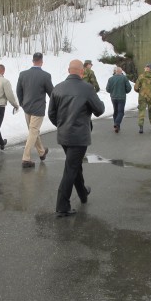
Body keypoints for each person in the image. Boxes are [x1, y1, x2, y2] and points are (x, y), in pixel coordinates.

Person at [48, 59, 105, 217]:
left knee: (74, 165)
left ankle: (83, 193)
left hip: (64, 135)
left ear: (68, 70)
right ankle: (62, 205)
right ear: (82, 72)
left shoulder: (58, 88)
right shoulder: (87, 88)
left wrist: (62, 125)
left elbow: (51, 114)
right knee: (71, 168)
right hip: (79, 136)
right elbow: (99, 110)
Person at [16, 52, 54, 168]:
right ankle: (26, 159)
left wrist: (22, 103)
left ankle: (42, 152)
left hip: (26, 107)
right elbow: (52, 93)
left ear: (33, 61)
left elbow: (18, 91)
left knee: (33, 131)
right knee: (33, 132)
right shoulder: (45, 76)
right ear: (41, 61)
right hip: (38, 109)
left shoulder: (23, 74)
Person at [106, 66, 132, 133]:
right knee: (121, 112)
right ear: (121, 72)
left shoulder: (110, 79)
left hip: (113, 97)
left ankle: (116, 127)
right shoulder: (124, 78)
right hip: (122, 97)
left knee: (116, 111)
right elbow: (129, 88)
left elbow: (107, 89)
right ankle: (117, 123)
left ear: (115, 71)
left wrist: (112, 92)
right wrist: (125, 91)